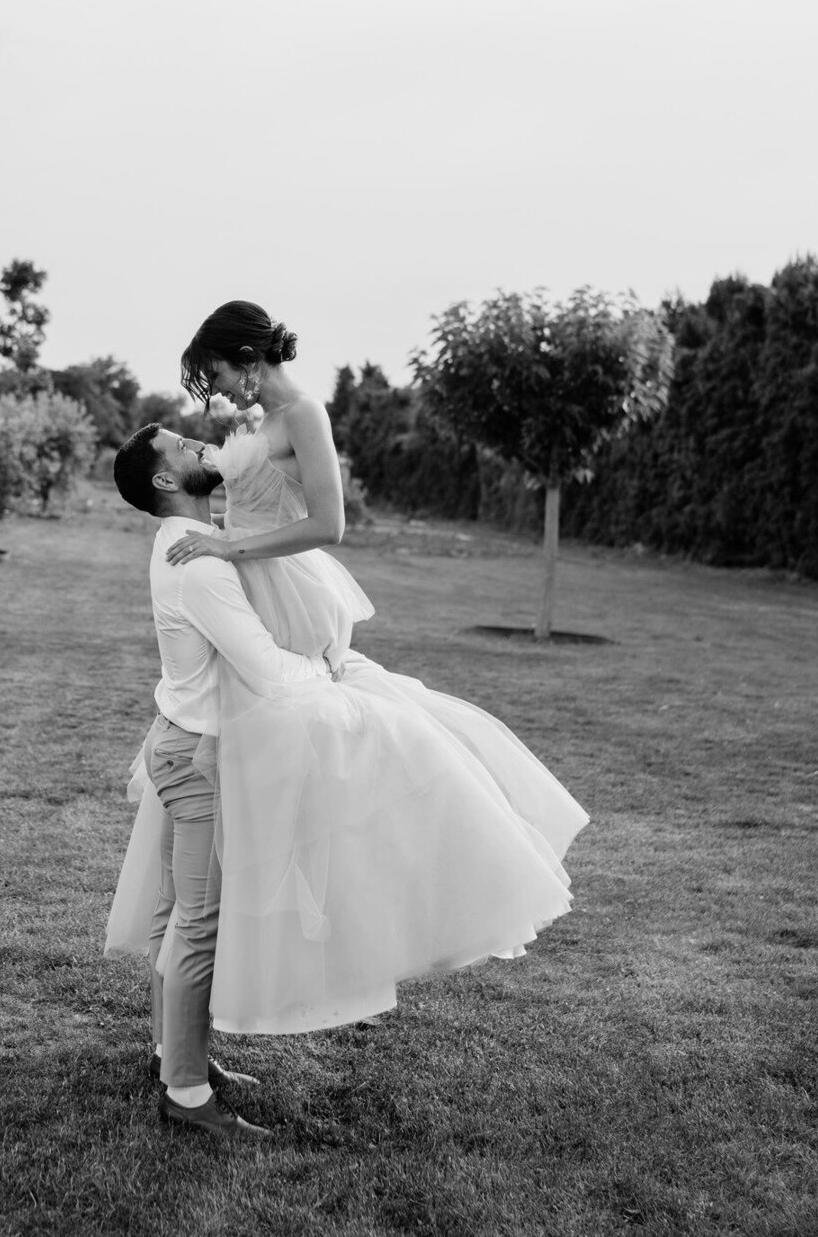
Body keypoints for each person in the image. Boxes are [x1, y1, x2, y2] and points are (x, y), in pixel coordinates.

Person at [106, 304, 588, 1105]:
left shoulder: (304, 414)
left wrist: (231, 545)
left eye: (217, 372)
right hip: (235, 601)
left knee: (323, 754)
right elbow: (206, 502)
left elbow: (326, 523)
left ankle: (186, 1046)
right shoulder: (253, 428)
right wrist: (219, 542)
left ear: (247, 357)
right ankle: (177, 1055)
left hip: (267, 580)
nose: (213, 394)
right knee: (205, 866)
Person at [107, 421, 335, 1138]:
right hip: (200, 759)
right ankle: (185, 1091)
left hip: (180, 744)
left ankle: (178, 1054)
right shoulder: (199, 566)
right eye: (182, 445)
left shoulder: (186, 547)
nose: (201, 444)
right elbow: (263, 668)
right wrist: (326, 671)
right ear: (166, 480)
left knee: (179, 914)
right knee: (198, 925)